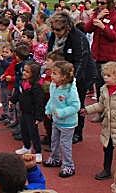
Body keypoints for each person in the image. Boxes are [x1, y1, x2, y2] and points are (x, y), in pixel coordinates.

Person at [82, 61, 116, 180]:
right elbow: (101, 105)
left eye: (109, 76)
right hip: (108, 126)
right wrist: (88, 110)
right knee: (107, 149)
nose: (105, 78)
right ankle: (106, 169)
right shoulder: (104, 89)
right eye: (104, 75)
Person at [47, 11, 96, 144]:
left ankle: (77, 132)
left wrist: (71, 80)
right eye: (53, 28)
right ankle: (58, 129)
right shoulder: (54, 35)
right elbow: (50, 51)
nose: (55, 31)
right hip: (61, 73)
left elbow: (81, 61)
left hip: (80, 74)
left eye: (58, 29)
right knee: (58, 100)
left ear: (67, 27)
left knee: (75, 102)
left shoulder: (78, 38)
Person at [83, 0, 116, 100]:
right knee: (99, 85)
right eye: (98, 3)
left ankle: (113, 108)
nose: (100, 5)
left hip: (111, 57)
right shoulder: (97, 14)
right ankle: (101, 107)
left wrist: (103, 27)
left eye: (102, 3)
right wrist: (97, 17)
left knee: (112, 85)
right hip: (98, 56)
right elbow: (87, 29)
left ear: (109, 4)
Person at [43, 61, 80, 178]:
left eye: (55, 73)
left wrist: (61, 113)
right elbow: (52, 99)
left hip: (67, 123)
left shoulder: (70, 90)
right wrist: (48, 109)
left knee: (65, 144)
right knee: (54, 141)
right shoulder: (53, 85)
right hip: (56, 121)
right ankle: (55, 158)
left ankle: (69, 165)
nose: (51, 75)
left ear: (64, 77)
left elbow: (76, 106)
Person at [11, 61, 44, 160]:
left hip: (32, 114)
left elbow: (39, 103)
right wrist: (12, 100)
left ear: (33, 74)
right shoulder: (22, 82)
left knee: (33, 133)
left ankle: (38, 152)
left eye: (27, 72)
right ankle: (26, 147)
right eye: (24, 70)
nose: (24, 73)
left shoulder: (36, 87)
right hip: (23, 111)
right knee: (24, 130)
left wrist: (39, 117)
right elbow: (17, 93)